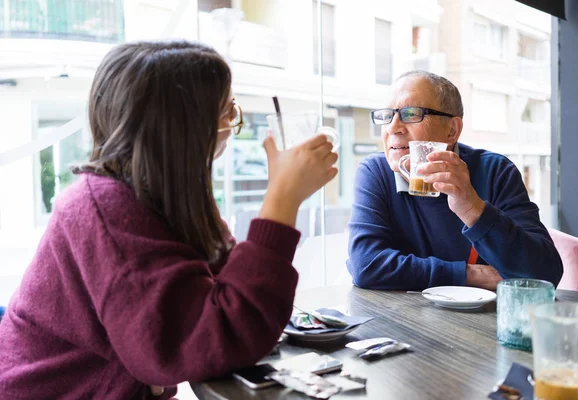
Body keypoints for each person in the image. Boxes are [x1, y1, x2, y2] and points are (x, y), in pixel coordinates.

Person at [0, 41, 338, 399]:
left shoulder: (166, 197)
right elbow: (213, 338)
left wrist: (281, 194)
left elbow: (232, 297)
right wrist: (282, 200)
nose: (231, 125)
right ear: (180, 126)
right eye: (225, 112)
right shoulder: (104, 208)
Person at [346, 70, 562, 291]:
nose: (392, 127)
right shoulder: (375, 172)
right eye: (387, 116)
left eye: (411, 114)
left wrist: (472, 208)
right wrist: (468, 275)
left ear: (452, 130)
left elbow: (545, 275)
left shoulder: (495, 171)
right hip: (402, 320)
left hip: (481, 322)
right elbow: (366, 265)